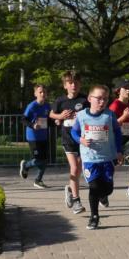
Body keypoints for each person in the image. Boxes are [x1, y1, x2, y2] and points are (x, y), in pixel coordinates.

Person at [70, 84, 123, 230]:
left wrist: (119, 151)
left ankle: (103, 196)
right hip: (90, 159)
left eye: (105, 99)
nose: (102, 102)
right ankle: (94, 217)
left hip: (107, 158)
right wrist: (80, 140)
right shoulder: (81, 116)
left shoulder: (109, 115)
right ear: (89, 98)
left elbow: (118, 133)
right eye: (99, 98)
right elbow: (74, 133)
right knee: (93, 187)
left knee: (108, 189)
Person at [52, 71, 88, 215]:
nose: (74, 85)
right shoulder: (60, 101)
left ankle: (70, 189)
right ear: (65, 85)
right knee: (74, 169)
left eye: (76, 83)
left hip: (83, 138)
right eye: (71, 83)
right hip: (68, 139)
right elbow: (51, 114)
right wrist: (59, 116)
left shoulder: (85, 99)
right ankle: (77, 201)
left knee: (80, 170)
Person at [109, 80, 129, 205]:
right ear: (119, 90)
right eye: (125, 88)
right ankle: (104, 192)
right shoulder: (114, 106)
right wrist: (123, 117)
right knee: (111, 169)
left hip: (128, 138)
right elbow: (111, 125)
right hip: (115, 139)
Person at [19, 83, 52, 189]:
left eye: (44, 92)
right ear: (35, 94)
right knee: (38, 159)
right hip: (33, 137)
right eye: (40, 92)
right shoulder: (32, 106)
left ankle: (38, 180)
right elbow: (23, 119)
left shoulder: (47, 106)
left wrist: (55, 122)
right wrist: (33, 125)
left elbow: (49, 121)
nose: (43, 94)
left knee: (45, 160)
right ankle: (26, 165)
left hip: (44, 136)